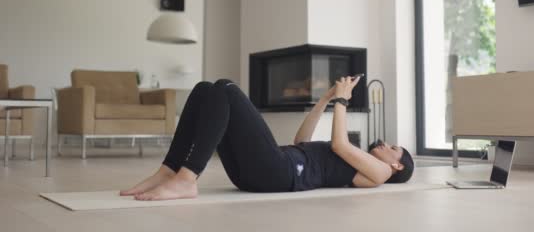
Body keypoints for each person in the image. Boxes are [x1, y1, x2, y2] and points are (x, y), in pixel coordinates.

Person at [120, 76, 414, 201]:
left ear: (398, 166)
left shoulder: (381, 173)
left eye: (394, 149)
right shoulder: (364, 161)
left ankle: (187, 178)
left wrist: (342, 101)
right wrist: (326, 98)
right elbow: (302, 139)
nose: (387, 145)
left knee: (226, 89)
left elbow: (339, 144)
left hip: (277, 172)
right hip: (264, 170)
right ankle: (169, 171)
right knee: (205, 89)